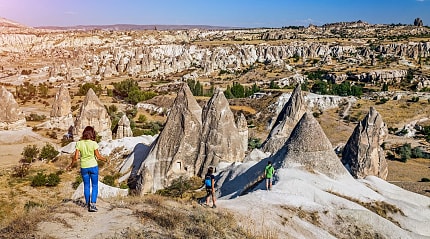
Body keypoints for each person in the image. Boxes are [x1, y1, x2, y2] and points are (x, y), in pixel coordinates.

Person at [66, 126, 108, 212]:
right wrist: (106, 159)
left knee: (86, 185)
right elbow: (98, 156)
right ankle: (93, 204)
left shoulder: (79, 143)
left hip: (84, 167)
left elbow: (76, 157)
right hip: (93, 166)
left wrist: (70, 165)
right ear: (92, 134)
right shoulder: (94, 143)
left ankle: (88, 204)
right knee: (95, 185)